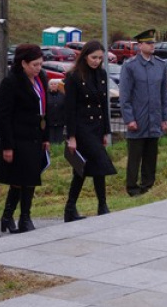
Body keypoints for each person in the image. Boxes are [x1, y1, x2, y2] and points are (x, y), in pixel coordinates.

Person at [0, 44, 50, 233]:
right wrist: (7, 146)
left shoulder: (41, 78)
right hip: (19, 138)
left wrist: (46, 137)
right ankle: (20, 218)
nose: (38, 68)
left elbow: (44, 110)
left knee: (28, 178)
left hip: (36, 136)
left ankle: (14, 216)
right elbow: (4, 116)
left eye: (40, 64)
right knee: (23, 178)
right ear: (23, 63)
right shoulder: (11, 82)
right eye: (34, 64)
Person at [64, 41, 117, 221]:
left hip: (96, 127)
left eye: (100, 58)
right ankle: (101, 205)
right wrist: (71, 136)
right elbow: (69, 108)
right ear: (85, 55)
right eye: (93, 57)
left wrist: (105, 132)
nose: (96, 61)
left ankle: (72, 208)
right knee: (100, 163)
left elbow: (104, 106)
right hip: (81, 128)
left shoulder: (101, 74)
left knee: (85, 168)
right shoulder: (74, 76)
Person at [119, 29, 167, 197]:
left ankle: (148, 186)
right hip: (138, 119)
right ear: (140, 45)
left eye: (153, 43)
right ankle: (132, 188)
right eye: (148, 43)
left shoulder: (160, 65)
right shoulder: (130, 66)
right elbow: (125, 95)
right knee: (135, 156)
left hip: (154, 119)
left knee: (151, 155)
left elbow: (164, 94)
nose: (152, 45)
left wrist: (165, 118)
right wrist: (129, 119)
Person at [47, 79, 66, 145]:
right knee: (50, 142)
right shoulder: (46, 95)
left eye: (55, 84)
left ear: (58, 85)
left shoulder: (63, 95)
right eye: (51, 84)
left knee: (59, 142)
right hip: (49, 122)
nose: (53, 85)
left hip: (60, 122)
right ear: (49, 86)